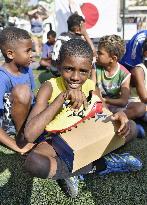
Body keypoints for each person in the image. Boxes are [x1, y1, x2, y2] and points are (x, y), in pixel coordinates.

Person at [18, 39, 142, 198]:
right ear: (59, 64)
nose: (75, 77)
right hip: (57, 142)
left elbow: (103, 113)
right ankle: (106, 164)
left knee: (129, 127)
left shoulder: (91, 86)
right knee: (34, 163)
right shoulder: (50, 87)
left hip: (85, 136)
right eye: (69, 69)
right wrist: (62, 98)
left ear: (90, 68)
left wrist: (119, 115)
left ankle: (72, 169)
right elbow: (29, 135)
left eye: (83, 71)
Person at [93, 34, 146, 137]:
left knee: (141, 108)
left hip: (114, 106)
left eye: (100, 53)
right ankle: (126, 125)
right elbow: (91, 88)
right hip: (98, 104)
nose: (96, 55)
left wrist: (106, 100)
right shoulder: (95, 66)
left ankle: (121, 122)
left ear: (113, 58)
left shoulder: (125, 74)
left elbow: (123, 101)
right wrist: (101, 100)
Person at [0, 27, 35, 154]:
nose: (32, 54)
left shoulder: (27, 69)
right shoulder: (2, 77)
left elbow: (32, 99)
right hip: (8, 124)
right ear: (10, 54)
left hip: (25, 117)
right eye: (28, 51)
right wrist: (16, 146)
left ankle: (28, 131)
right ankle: (21, 139)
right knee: (23, 91)